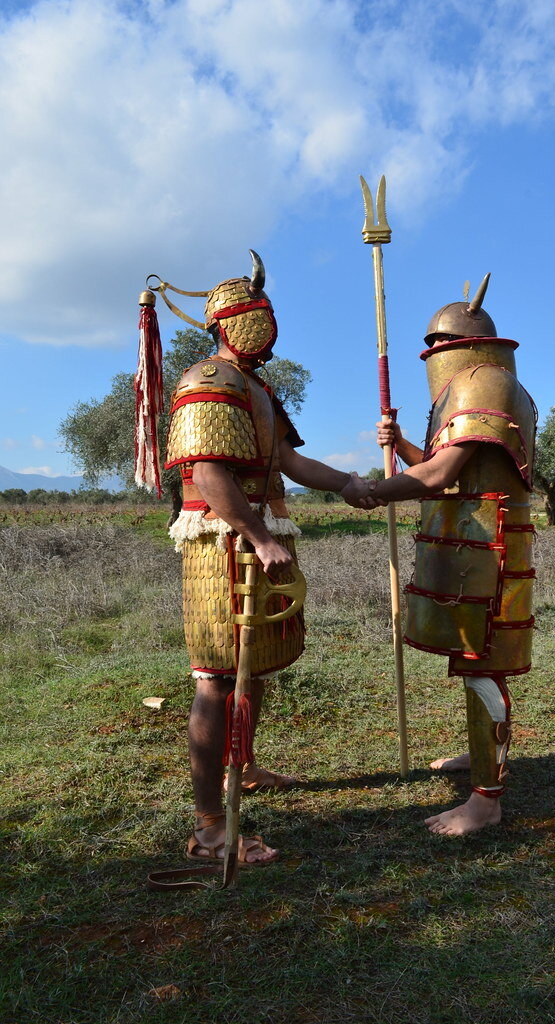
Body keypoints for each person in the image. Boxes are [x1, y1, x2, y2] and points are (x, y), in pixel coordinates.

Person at [154, 252, 355, 865]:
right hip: (222, 542)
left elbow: (290, 464)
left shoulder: (257, 389)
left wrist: (351, 484)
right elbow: (210, 474)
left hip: (259, 536)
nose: (262, 324)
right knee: (217, 676)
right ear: (223, 323)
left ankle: (241, 765)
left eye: (264, 313)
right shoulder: (207, 382)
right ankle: (212, 824)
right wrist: (260, 537)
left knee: (253, 665)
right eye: (250, 313)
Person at [343, 274, 537, 836]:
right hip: (471, 542)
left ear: (458, 346)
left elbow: (442, 474)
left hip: (491, 544)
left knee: (485, 667)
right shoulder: (474, 387)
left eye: (436, 344)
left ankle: (486, 799)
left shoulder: (486, 384)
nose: (431, 354)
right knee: (473, 662)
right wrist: (400, 444)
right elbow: (451, 467)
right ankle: (480, 763)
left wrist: (374, 489)